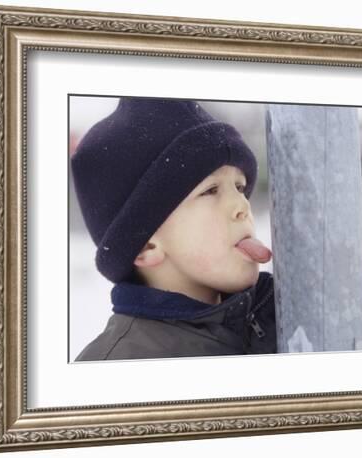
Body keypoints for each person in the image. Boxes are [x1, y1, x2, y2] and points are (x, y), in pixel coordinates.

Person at [71, 97, 276, 361]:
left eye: (239, 186)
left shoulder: (282, 318)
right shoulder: (118, 369)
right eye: (210, 190)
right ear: (146, 244)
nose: (242, 205)